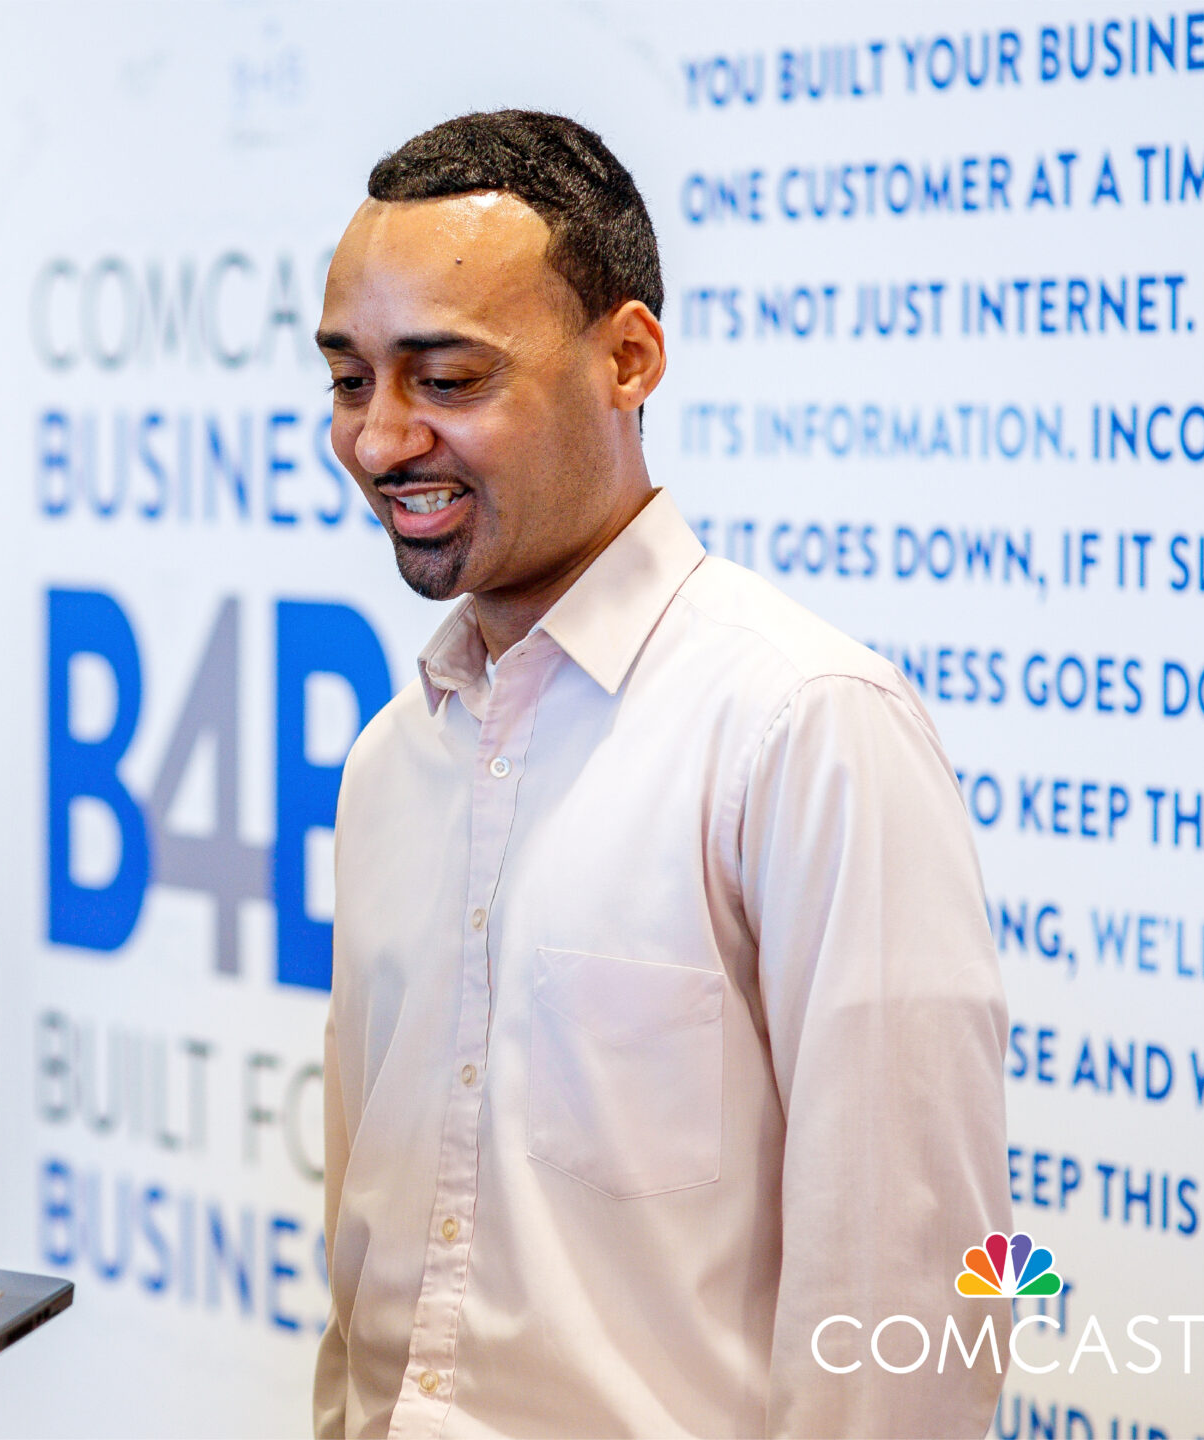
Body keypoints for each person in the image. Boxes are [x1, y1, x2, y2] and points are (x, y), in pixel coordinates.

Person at [311, 111, 1011, 1438]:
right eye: (352, 382)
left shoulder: (805, 729)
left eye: (446, 381)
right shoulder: (391, 764)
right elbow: (369, 1301)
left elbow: (916, 1304)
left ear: (629, 357)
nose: (381, 441)